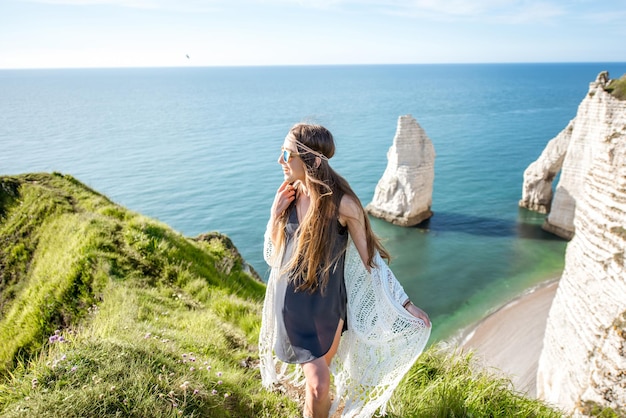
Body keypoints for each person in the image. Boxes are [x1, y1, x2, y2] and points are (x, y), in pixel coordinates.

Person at [259, 123, 431, 418]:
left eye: (287, 154)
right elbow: (273, 256)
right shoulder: (287, 195)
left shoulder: (344, 204)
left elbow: (371, 261)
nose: (280, 161)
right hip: (293, 306)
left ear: (310, 159)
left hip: (329, 307)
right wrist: (275, 216)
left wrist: (405, 303)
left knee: (320, 384)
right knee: (319, 384)